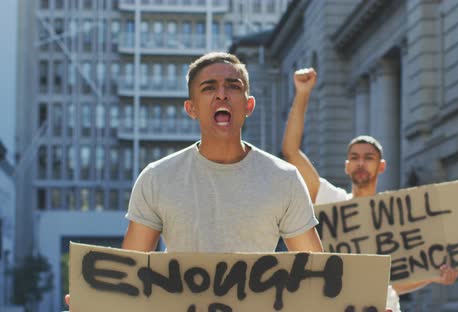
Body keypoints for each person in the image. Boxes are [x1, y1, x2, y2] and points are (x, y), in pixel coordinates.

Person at [65, 52, 323, 309]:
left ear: (249, 105)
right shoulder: (158, 177)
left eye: (233, 87)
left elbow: (318, 274)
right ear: (192, 109)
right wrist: (95, 301)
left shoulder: (284, 179)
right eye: (209, 88)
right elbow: (130, 271)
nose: (222, 94)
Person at [281, 68, 458, 312]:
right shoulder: (332, 200)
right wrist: (302, 94)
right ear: (346, 166)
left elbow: (395, 282)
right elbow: (291, 152)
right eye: (354, 157)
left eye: (369, 157)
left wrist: (434, 276)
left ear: (381, 165)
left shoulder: (396, 214)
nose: (361, 163)